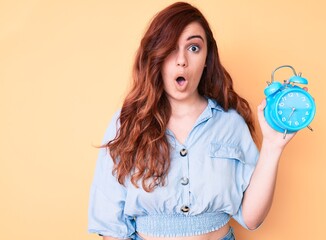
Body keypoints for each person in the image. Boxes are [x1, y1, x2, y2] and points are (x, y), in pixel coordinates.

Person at [88, 2, 296, 240]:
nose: (182, 61)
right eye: (170, 48)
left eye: (194, 48)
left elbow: (251, 218)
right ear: (156, 56)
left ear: (207, 58)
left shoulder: (231, 124)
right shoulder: (127, 123)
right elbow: (109, 225)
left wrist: (273, 146)